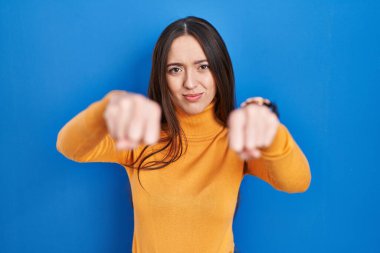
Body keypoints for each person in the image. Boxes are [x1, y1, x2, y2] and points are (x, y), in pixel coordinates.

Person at [56, 16, 311, 253]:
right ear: (162, 78)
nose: (190, 82)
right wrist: (105, 109)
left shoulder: (239, 140)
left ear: (219, 70)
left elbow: (297, 182)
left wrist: (271, 131)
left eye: (203, 66)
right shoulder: (140, 135)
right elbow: (69, 146)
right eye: (175, 69)